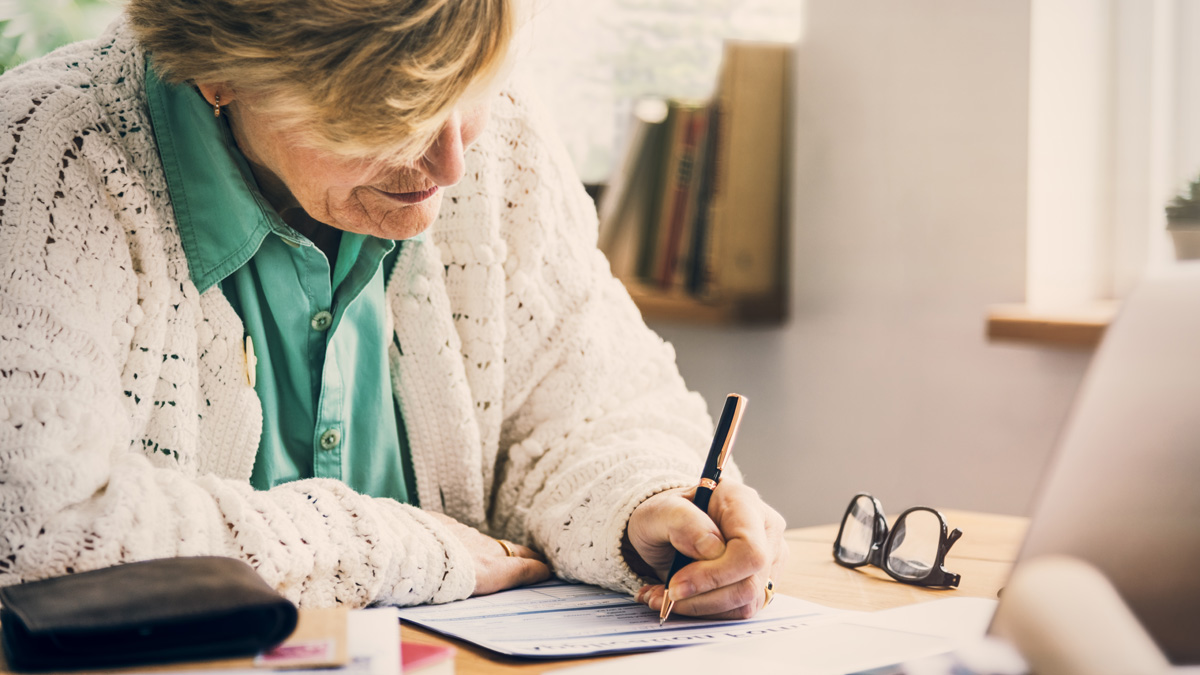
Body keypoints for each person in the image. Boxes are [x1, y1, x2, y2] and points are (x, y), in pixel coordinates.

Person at [0, 0, 786, 619]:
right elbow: (38, 531)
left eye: (469, 91)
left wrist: (643, 501)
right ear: (222, 72)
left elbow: (590, 407)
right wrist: (385, 548)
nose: (450, 161)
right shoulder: (46, 162)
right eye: (388, 115)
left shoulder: (495, 139)